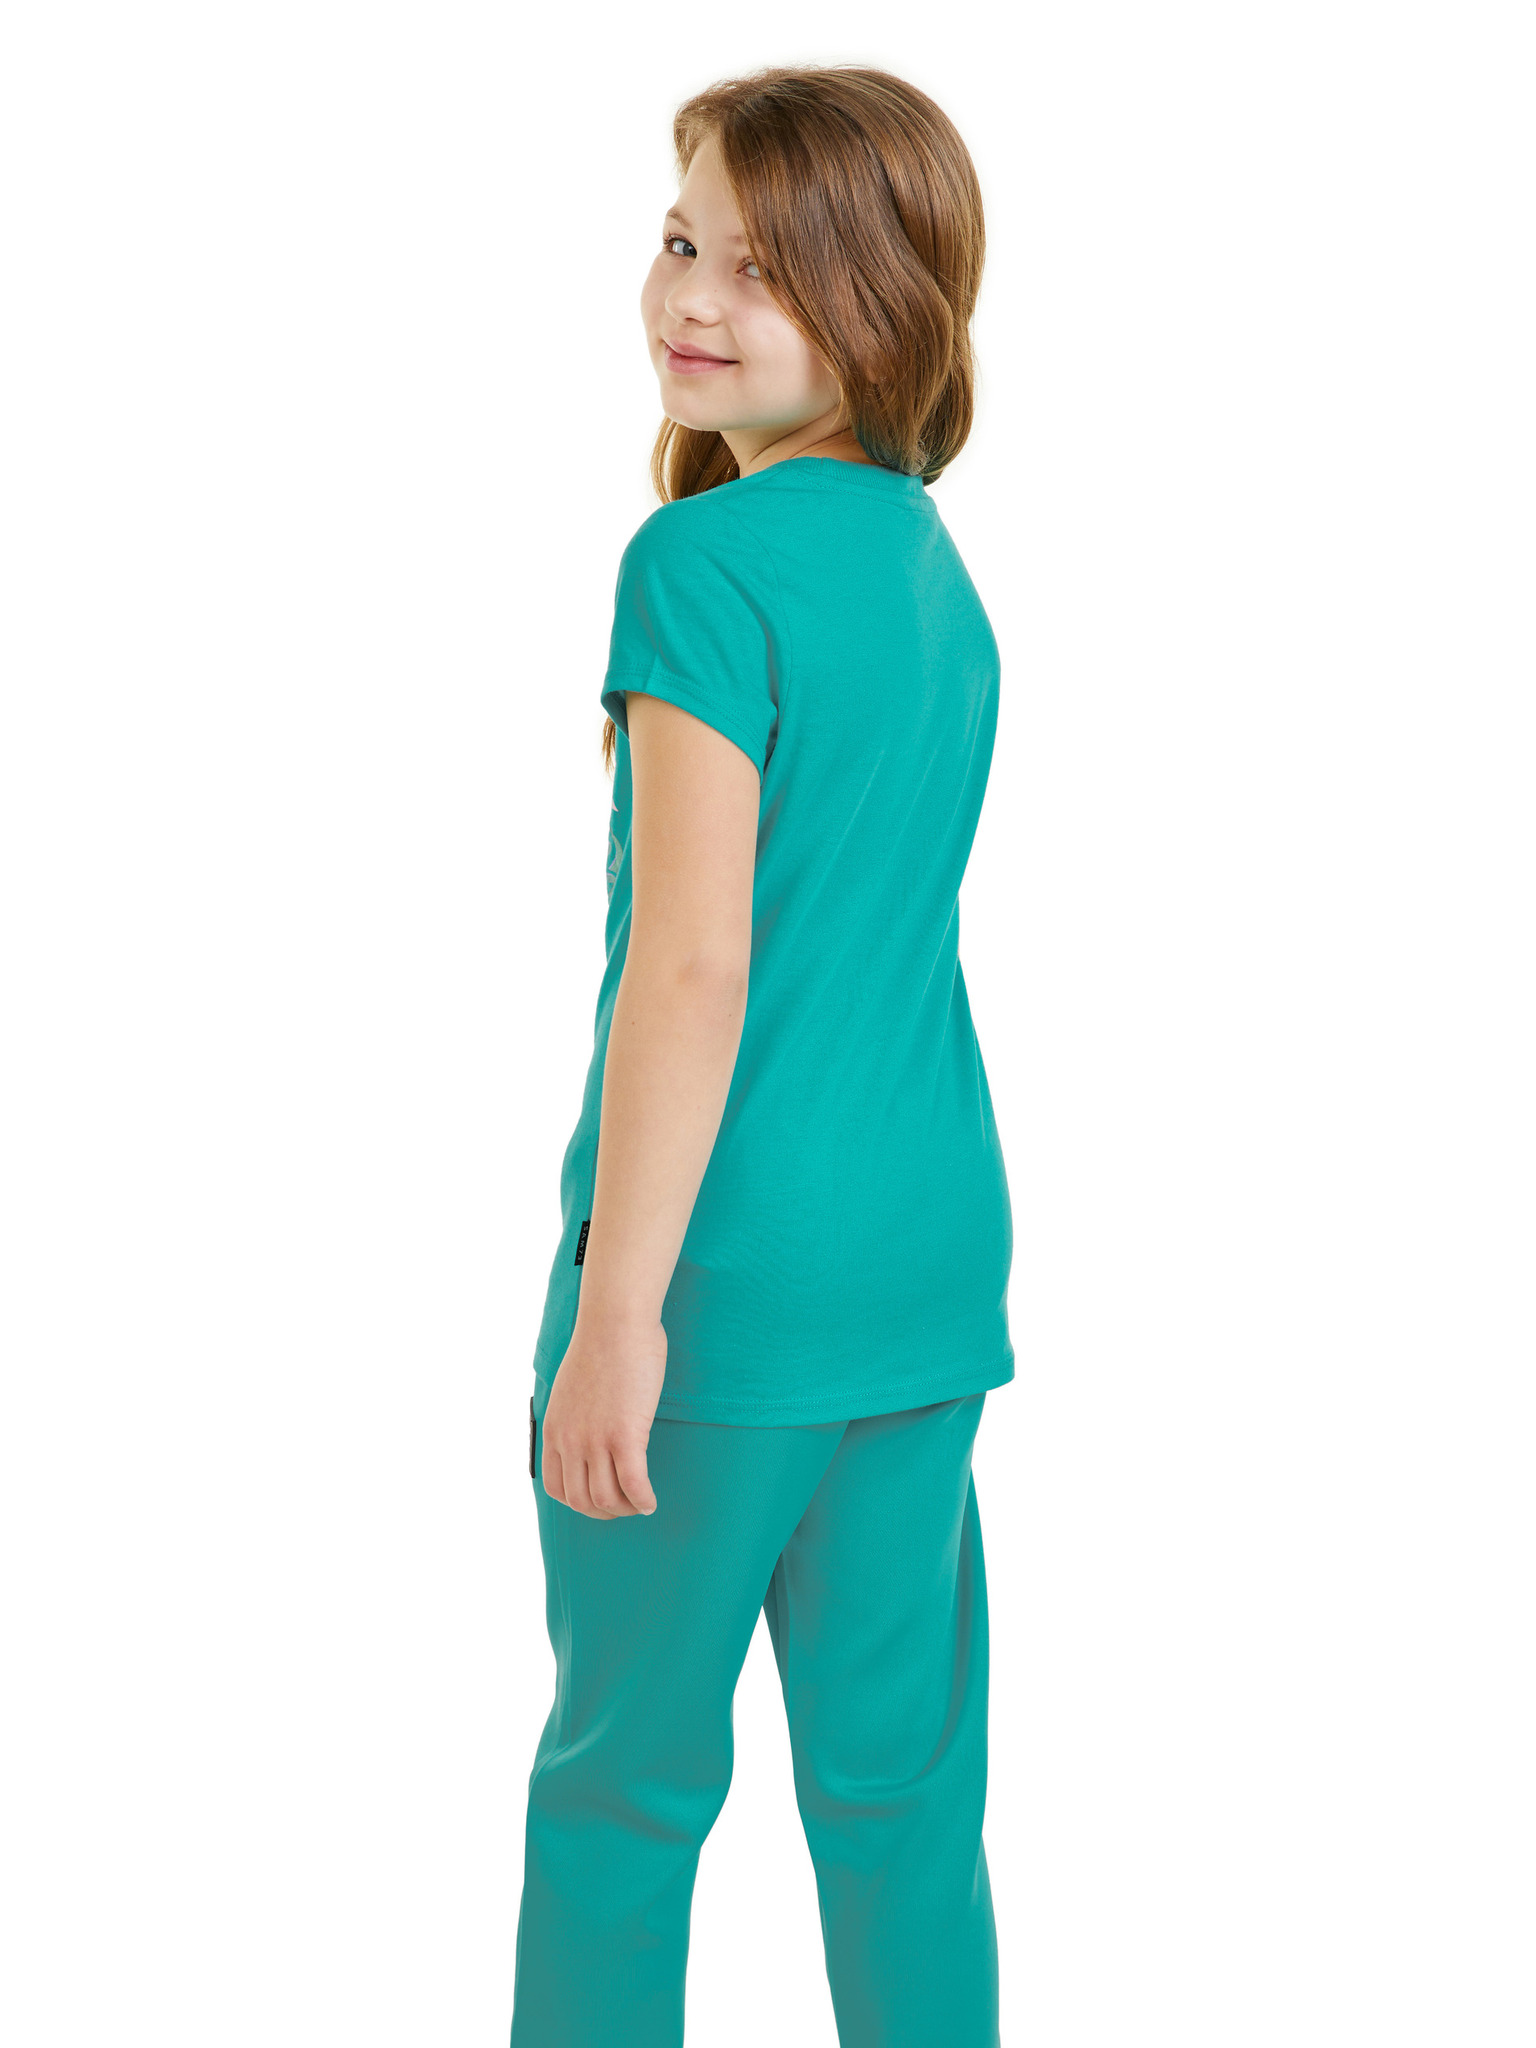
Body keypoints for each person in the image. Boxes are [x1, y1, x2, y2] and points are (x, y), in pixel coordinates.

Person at [511, 64, 1014, 2048]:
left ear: (885, 303)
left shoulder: (702, 570)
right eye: (679, 240)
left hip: (726, 1282)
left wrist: (616, 1311)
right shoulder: (928, 569)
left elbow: (695, 966)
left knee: (622, 1803)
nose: (692, 296)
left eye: (761, 265)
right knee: (901, 1812)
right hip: (927, 1262)